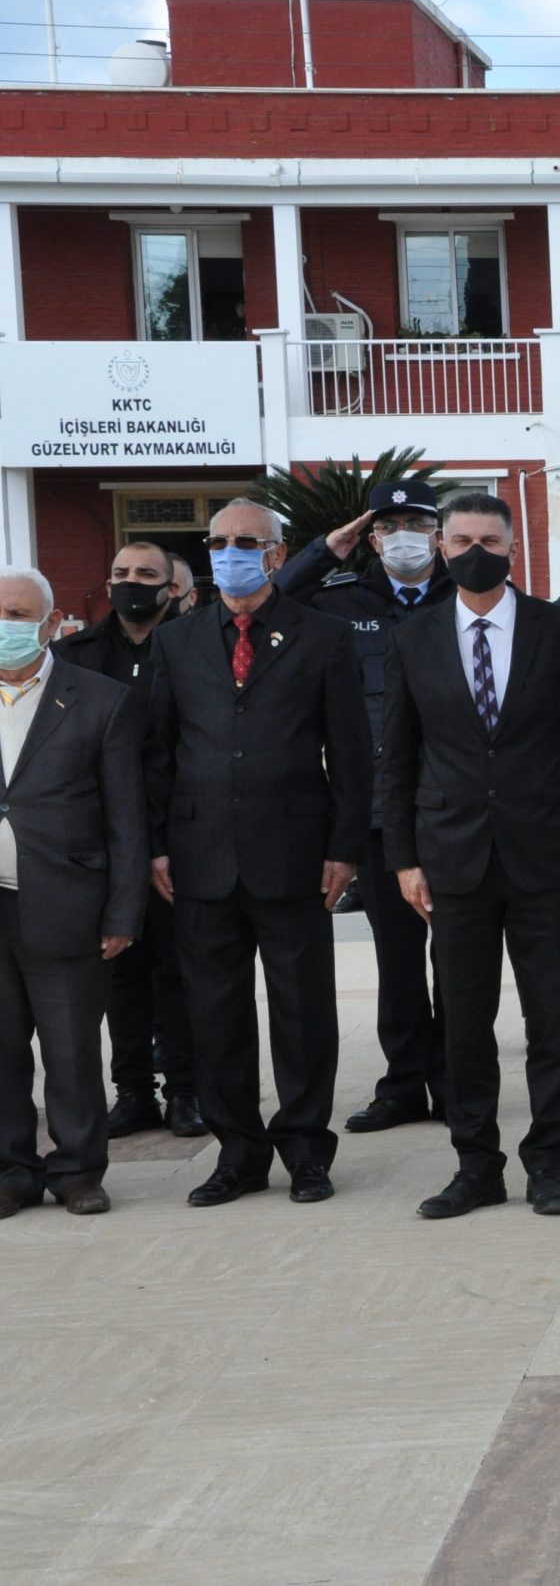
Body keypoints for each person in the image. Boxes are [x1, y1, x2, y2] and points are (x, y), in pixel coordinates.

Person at [379, 494, 560, 1219]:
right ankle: (475, 1164)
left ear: (513, 546)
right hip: (451, 858)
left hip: (546, 854)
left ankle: (549, 1162)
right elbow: (398, 758)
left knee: (551, 1021)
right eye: (461, 539)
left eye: (489, 538)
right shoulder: (412, 637)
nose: (475, 549)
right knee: (463, 1023)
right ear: (442, 548)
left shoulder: (558, 630)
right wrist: (402, 856)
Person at [146, 500, 371, 1207]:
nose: (230, 552)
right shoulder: (176, 642)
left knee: (302, 1011)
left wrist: (345, 847)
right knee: (215, 1014)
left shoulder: (323, 636)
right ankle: (238, 1154)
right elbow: (154, 752)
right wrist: (155, 846)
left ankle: (306, 1149)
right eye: (218, 541)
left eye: (247, 542)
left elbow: (354, 754)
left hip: (296, 854)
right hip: (199, 857)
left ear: (277, 555)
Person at [275, 481, 454, 1135]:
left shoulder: (467, 596)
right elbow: (262, 608)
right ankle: (404, 1085)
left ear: (438, 534)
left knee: (460, 960)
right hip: (382, 816)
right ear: (372, 537)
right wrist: (324, 551)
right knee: (399, 962)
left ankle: (458, 1082)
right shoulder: (339, 604)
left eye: (417, 522)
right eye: (390, 524)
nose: (403, 534)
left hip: (458, 812)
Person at [0, 567, 146, 1218]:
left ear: (53, 623)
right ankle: (12, 1172)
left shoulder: (98, 699)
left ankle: (79, 1172)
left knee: (72, 1050)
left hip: (68, 902)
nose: (8, 627)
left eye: (21, 615)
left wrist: (123, 910)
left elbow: (126, 819)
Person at [54, 540, 196, 1138]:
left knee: (179, 971)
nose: (130, 582)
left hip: (177, 839)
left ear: (172, 588)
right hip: (100, 843)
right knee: (119, 976)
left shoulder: (192, 650)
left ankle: (187, 1091)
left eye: (145, 574)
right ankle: (133, 1091)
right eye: (119, 573)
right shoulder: (73, 656)